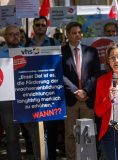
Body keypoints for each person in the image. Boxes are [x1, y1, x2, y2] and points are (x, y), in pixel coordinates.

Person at [24, 16, 61, 160]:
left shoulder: (54, 43)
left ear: (47, 27)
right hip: (32, 95)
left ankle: (51, 156)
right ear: (33, 27)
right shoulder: (25, 45)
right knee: (35, 131)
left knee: (51, 130)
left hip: (51, 94)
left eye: (43, 25)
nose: (40, 27)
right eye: (37, 25)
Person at [62, 21, 100, 160]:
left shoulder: (91, 51)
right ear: (67, 35)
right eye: (74, 33)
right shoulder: (61, 52)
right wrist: (74, 90)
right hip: (70, 99)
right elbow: (60, 74)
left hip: (87, 98)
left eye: (79, 32)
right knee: (71, 134)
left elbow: (96, 74)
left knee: (86, 132)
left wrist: (85, 91)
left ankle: (86, 157)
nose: (77, 35)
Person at [0, 25, 22, 160]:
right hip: (7, 100)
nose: (15, 37)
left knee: (35, 134)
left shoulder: (29, 51)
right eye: (11, 34)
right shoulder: (0, 54)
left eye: (17, 34)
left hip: (26, 98)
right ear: (5, 37)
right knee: (12, 136)